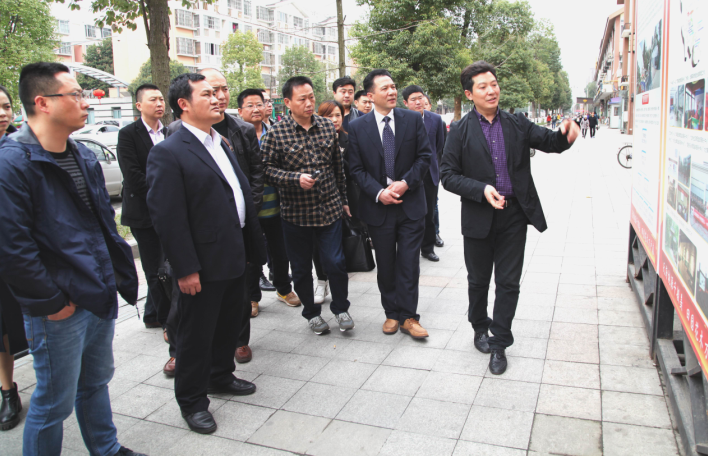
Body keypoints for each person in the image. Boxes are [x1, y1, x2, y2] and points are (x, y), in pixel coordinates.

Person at [0, 62, 144, 455]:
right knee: (53, 402)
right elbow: (12, 248)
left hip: (96, 291)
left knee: (95, 382)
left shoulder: (81, 154)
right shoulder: (12, 163)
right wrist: (52, 302)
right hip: (58, 307)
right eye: (76, 95)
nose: (86, 102)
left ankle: (106, 448)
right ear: (43, 102)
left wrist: (114, 276)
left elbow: (102, 225)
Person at [440, 61, 579, 375]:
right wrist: (481, 189)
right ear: (469, 94)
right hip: (478, 216)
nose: (491, 91)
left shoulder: (517, 123)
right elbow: (447, 175)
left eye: (494, 84)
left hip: (514, 215)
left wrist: (566, 135)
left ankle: (500, 342)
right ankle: (479, 326)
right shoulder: (460, 130)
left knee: (508, 283)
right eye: (483, 86)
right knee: (478, 281)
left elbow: (550, 142)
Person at [147, 73, 265, 434]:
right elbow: (167, 217)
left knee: (228, 324)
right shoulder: (169, 151)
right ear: (184, 104)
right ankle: (193, 401)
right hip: (201, 263)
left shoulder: (220, 141)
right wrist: (185, 268)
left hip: (233, 253)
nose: (217, 99)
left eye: (218, 93)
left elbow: (234, 193)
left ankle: (220, 375)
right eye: (207, 94)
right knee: (195, 335)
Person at [262, 76, 354, 335]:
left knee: (335, 262)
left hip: (329, 209)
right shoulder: (276, 133)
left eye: (311, 97)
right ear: (287, 102)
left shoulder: (326, 126)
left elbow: (338, 168)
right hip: (296, 214)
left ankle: (341, 308)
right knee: (301, 269)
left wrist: (344, 201)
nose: (309, 103)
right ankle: (312, 314)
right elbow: (265, 170)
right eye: (302, 99)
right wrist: (294, 179)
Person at [348, 69, 433, 339]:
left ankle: (409, 316)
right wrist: (378, 192)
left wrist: (406, 182)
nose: (392, 91)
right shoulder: (357, 127)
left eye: (394, 86)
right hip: (378, 208)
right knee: (385, 265)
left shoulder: (412, 119)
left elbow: (424, 157)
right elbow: (355, 168)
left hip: (410, 205)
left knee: (409, 263)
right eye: (385, 88)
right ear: (370, 95)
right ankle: (391, 313)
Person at [116, 83, 177, 376]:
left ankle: (152, 314)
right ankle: (166, 320)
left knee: (169, 265)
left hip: (170, 211)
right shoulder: (128, 134)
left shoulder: (170, 131)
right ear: (139, 105)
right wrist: (167, 191)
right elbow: (133, 176)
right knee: (155, 270)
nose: (159, 104)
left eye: (161, 99)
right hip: (143, 213)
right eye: (153, 100)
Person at [237, 88, 300, 359]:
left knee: (280, 251)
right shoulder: (235, 136)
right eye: (249, 105)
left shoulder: (276, 132)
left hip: (278, 204)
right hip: (250, 209)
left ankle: (283, 289)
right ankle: (253, 297)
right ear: (240, 110)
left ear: (267, 107)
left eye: (259, 104)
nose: (256, 109)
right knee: (251, 257)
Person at [0, 84, 27, 433]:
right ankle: (7, 388)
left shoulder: (21, 150)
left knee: (9, 324)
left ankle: (9, 390)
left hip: (14, 254)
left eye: (6, 105)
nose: (2, 113)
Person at [402, 85, 445, 263]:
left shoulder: (436, 119)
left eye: (420, 98)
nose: (418, 102)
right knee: (408, 214)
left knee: (429, 213)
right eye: (413, 99)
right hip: (406, 174)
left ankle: (427, 249)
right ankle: (409, 248)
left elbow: (439, 146)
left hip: (429, 174)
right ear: (405, 103)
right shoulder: (400, 119)